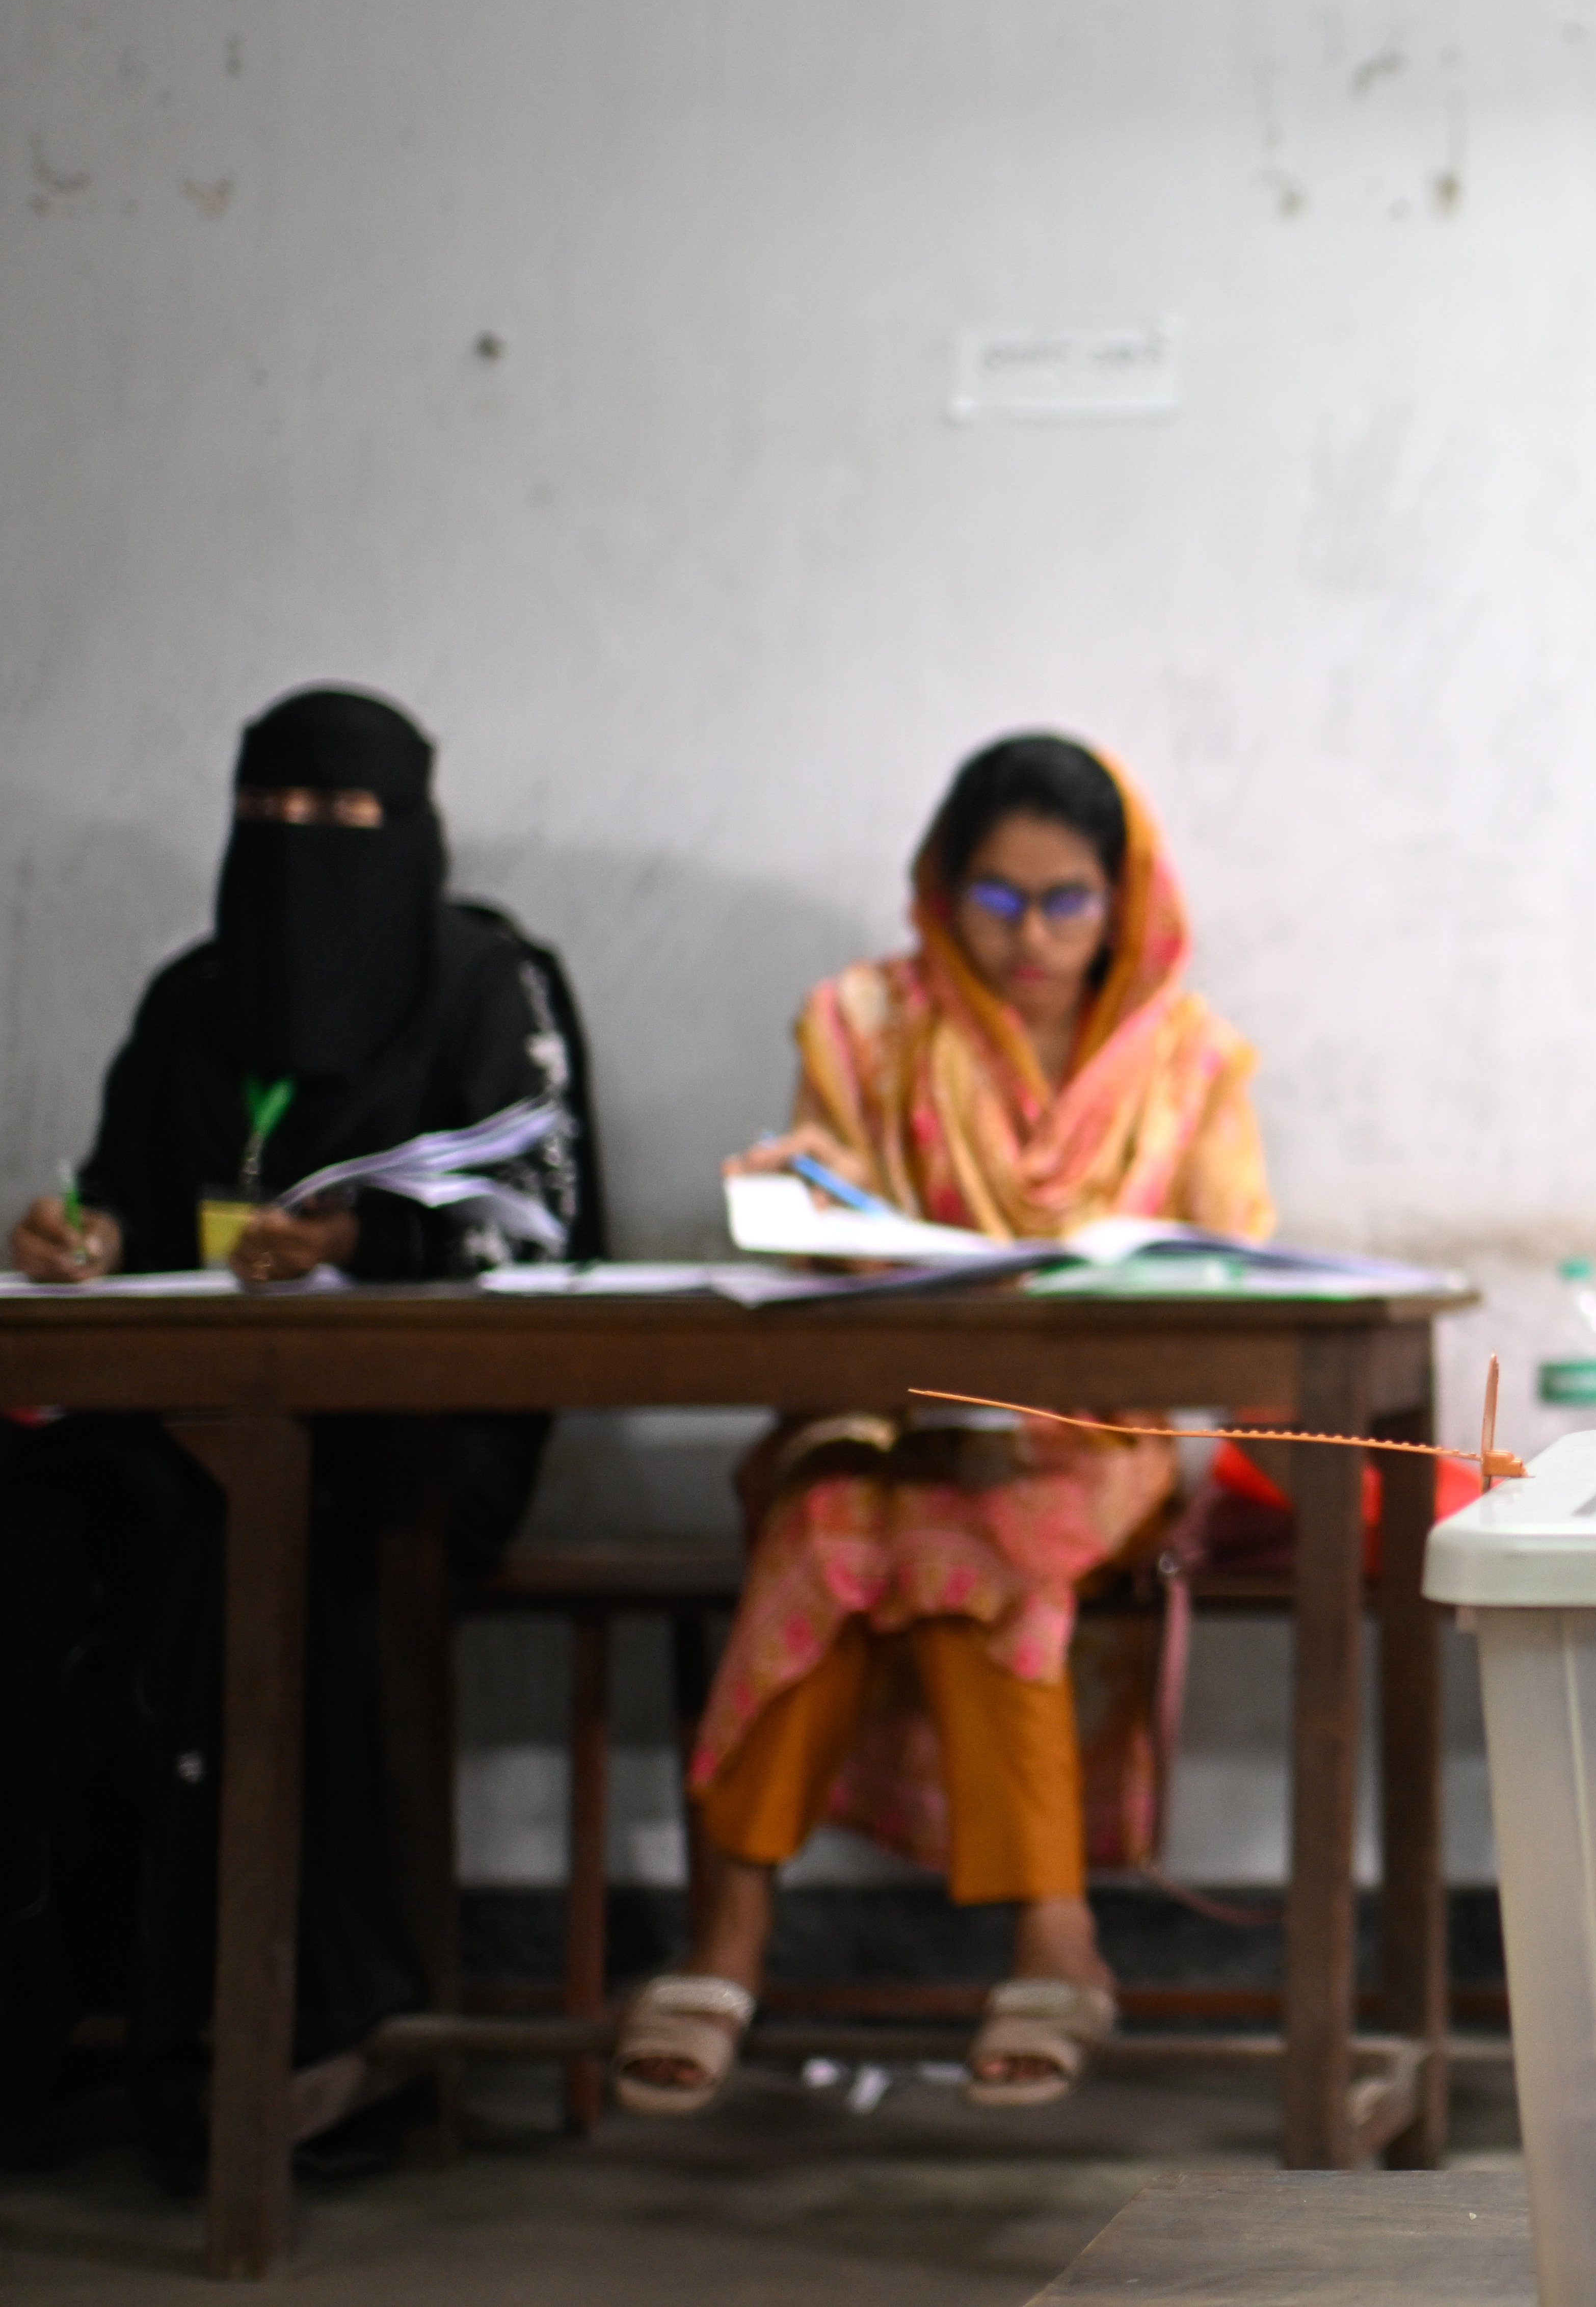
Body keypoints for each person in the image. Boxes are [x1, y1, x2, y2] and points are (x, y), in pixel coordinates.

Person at [615, 734, 1270, 2118]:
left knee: (978, 1526)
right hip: (884, 1422)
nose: (1029, 936)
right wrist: (810, 1195)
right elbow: (823, 1212)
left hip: (1088, 1441)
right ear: (941, 888)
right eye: (994, 898)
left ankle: (1047, 1935)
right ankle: (743, 1939)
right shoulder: (862, 1024)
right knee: (831, 1517)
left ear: (1123, 896)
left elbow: (1230, 1260)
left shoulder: (1190, 1060)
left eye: (1065, 901)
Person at [1, 685, 602, 2179]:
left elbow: (539, 1227)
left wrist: (357, 1242)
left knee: (254, 1524)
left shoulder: (487, 986)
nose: (305, 853)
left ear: (417, 831)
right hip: (183, 1412)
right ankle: (50, 1995)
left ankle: (280, 2021)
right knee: (26, 1522)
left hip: (412, 1444)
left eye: (345, 824)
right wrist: (84, 1237)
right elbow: (124, 1195)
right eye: (271, 820)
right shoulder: (192, 1000)